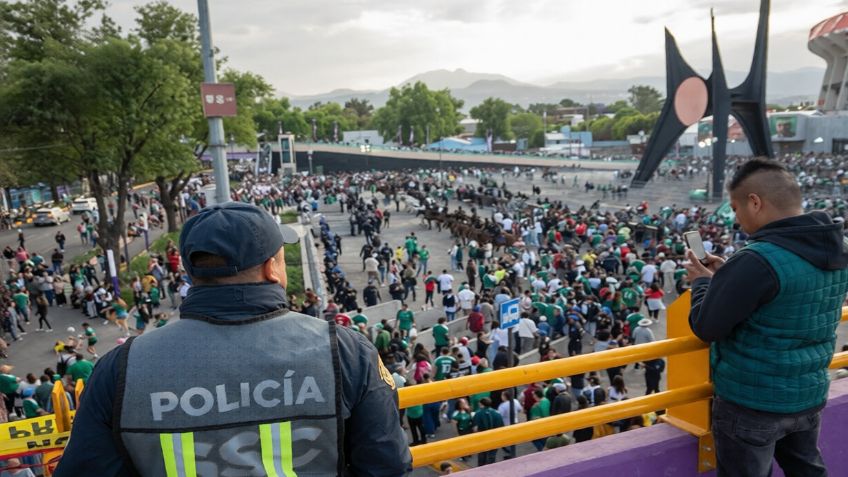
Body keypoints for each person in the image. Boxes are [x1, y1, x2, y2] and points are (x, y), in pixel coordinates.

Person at [55, 202, 411, 476]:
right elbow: (386, 463)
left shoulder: (120, 369)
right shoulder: (346, 351)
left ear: (192, 273)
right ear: (272, 268)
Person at [685, 159, 848, 477]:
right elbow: (787, 298)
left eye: (735, 208)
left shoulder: (757, 260)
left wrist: (702, 282)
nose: (736, 217)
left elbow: (706, 327)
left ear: (754, 202)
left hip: (753, 403)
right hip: (807, 393)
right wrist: (729, 278)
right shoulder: (838, 248)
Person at [472, 398, 504, 466]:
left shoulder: (478, 414)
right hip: (495, 438)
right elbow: (502, 427)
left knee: (482, 456)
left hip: (482, 438)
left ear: (481, 404)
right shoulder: (497, 413)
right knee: (492, 456)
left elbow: (475, 428)